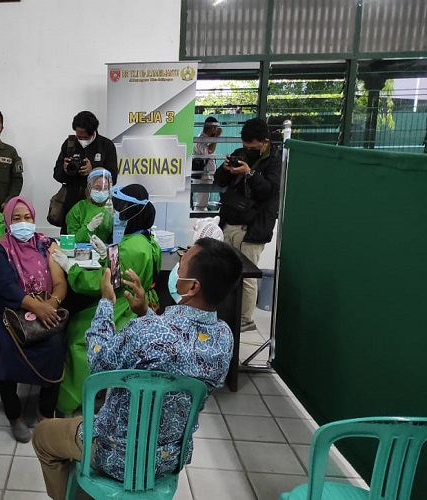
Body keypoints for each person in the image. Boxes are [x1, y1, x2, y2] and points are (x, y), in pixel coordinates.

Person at [33, 237, 243, 499]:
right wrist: (146, 312)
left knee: (43, 437)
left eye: (181, 263)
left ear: (193, 286)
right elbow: (179, 350)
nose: (177, 268)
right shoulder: (224, 338)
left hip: (115, 453)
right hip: (169, 457)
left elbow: (98, 363)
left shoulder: (147, 332)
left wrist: (106, 303)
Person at [51, 184, 161, 415]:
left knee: (77, 340)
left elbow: (100, 284)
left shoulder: (130, 249)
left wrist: (71, 268)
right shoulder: (147, 241)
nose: (114, 212)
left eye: (117, 207)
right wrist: (108, 255)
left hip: (122, 307)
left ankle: (72, 400)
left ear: (130, 212)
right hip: (137, 304)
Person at [0, 196, 68, 443]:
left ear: (34, 218)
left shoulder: (46, 244)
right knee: (6, 349)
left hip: (44, 308)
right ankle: (14, 416)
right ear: (8, 221)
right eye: (16, 218)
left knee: (55, 345)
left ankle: (45, 413)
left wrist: (51, 305)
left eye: (27, 217)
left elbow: (60, 282)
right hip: (7, 314)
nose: (23, 223)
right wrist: (37, 307)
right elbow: (6, 287)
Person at [213, 117, 281, 332]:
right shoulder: (240, 154)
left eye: (252, 147)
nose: (247, 150)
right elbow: (219, 181)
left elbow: (269, 190)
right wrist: (225, 169)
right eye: (245, 146)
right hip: (229, 223)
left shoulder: (275, 161)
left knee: (247, 275)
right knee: (225, 271)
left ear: (264, 141)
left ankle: (245, 319)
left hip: (251, 229)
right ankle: (226, 312)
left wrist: (249, 174)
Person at [52, 111, 118, 233]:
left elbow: (113, 177)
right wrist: (65, 170)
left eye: (84, 137)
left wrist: (93, 171)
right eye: (78, 136)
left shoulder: (106, 145)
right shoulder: (69, 144)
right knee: (69, 239)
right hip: (72, 204)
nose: (81, 139)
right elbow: (57, 174)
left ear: (93, 132)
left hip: (97, 205)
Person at [64, 168, 114, 244]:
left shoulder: (113, 208)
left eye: (105, 188)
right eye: (97, 188)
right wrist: (88, 228)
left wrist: (116, 220)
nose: (101, 192)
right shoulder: (79, 209)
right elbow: (72, 240)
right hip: (82, 252)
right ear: (89, 187)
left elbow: (120, 238)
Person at [192, 116, 221, 210]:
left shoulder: (207, 139)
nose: (217, 130)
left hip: (206, 176)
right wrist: (217, 136)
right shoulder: (201, 139)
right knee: (201, 204)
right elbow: (209, 151)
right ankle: (198, 219)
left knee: (203, 202)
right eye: (216, 128)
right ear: (212, 128)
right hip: (202, 176)